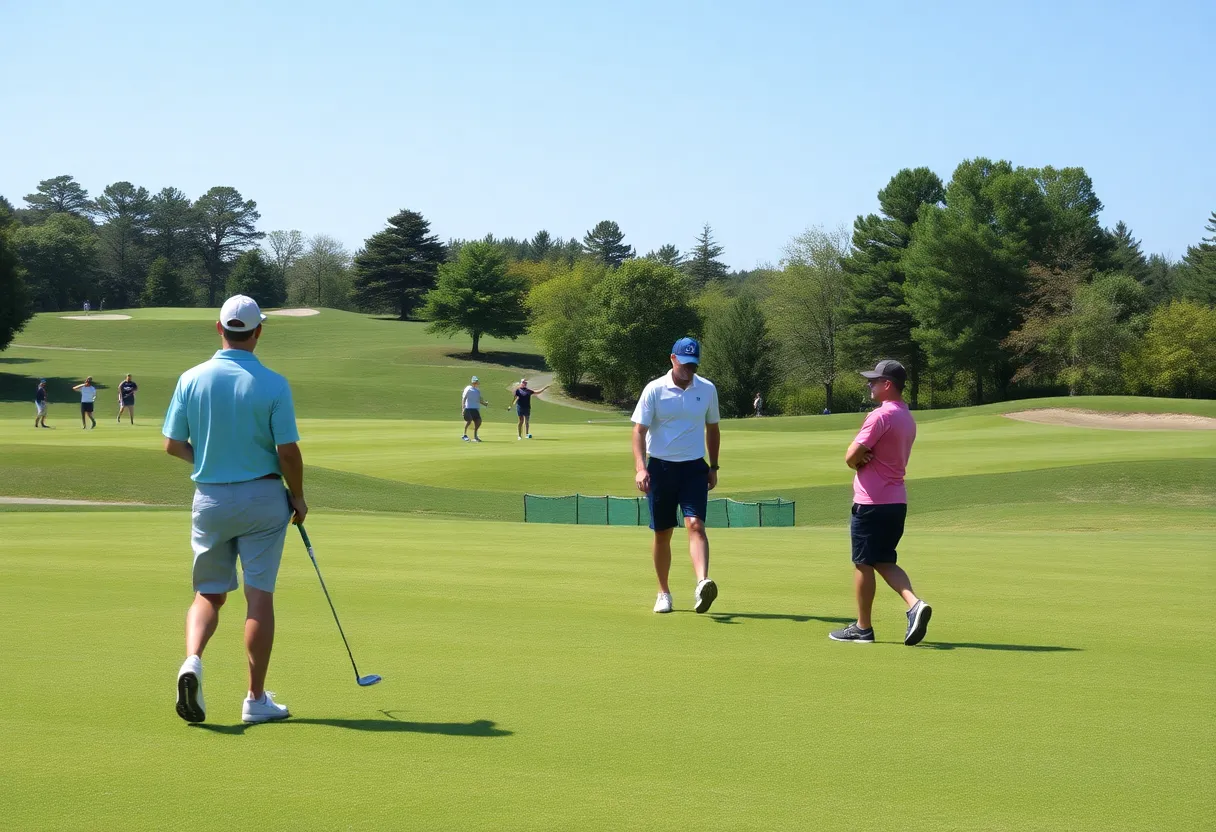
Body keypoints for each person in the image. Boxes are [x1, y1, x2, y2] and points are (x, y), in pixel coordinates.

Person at [163, 294, 306, 725]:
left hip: (209, 498)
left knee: (209, 593)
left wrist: (210, 460)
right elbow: (288, 453)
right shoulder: (273, 383)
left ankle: (192, 661)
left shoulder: (191, 378)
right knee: (258, 595)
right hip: (262, 498)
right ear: (258, 331)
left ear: (219, 328)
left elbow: (172, 445)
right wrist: (297, 496)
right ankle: (255, 699)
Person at [829, 359, 932, 646]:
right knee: (884, 560)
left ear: (888, 385)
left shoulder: (880, 416)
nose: (870, 384)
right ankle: (914, 605)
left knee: (863, 563)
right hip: (896, 502)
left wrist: (859, 458)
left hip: (871, 502)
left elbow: (850, 457)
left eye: (874, 380)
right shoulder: (907, 417)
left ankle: (863, 628)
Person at [631, 337, 722, 615]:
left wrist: (714, 466)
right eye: (684, 364)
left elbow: (713, 428)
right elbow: (638, 431)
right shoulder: (654, 389)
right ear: (672, 359)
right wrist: (640, 467)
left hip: (694, 468)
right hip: (660, 468)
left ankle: (702, 582)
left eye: (693, 366)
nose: (688, 371)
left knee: (696, 525)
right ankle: (663, 592)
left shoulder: (706, 389)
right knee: (663, 533)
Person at [461, 376, 489, 442]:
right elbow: (464, 398)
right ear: (472, 382)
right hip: (468, 408)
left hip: (475, 409)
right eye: (475, 381)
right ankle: (465, 435)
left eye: (476, 381)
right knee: (469, 421)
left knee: (478, 421)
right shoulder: (468, 389)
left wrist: (484, 404)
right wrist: (463, 408)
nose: (476, 383)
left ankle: (475, 436)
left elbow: (478, 400)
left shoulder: (477, 391)